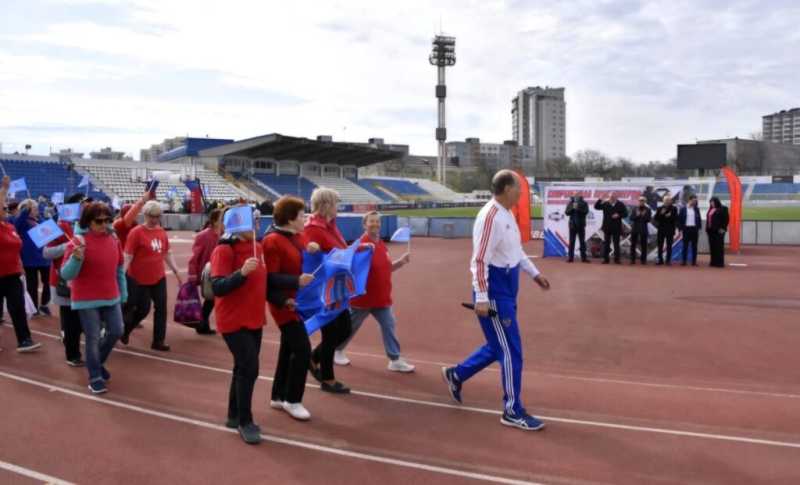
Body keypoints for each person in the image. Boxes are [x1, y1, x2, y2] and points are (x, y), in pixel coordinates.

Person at [442, 170, 551, 431]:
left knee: (497, 345)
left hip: (508, 286)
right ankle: (512, 410)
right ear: (506, 189)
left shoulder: (507, 213)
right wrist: (481, 297)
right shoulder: (490, 216)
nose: (522, 193)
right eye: (518, 189)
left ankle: (457, 374)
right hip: (494, 292)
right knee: (512, 351)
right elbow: (479, 260)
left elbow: (516, 251)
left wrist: (534, 274)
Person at [210, 209, 267, 444]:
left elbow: (265, 280)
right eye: (252, 221)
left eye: (257, 220)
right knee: (249, 368)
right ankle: (245, 421)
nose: (256, 224)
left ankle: (234, 414)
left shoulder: (258, 247)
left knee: (241, 368)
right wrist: (241, 273)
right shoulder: (223, 250)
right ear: (237, 224)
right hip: (233, 319)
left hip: (254, 317)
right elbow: (218, 287)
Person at [334, 211, 415, 373]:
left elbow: (385, 269)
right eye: (372, 221)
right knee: (350, 327)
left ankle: (395, 359)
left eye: (378, 222)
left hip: (382, 298)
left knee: (389, 325)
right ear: (364, 225)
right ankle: (336, 350)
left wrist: (401, 262)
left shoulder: (381, 244)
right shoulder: (361, 245)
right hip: (363, 299)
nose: (375, 224)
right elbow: (348, 266)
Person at [60, 202, 127, 394]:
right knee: (93, 337)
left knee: (116, 331)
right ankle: (95, 376)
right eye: (99, 221)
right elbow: (66, 274)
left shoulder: (114, 239)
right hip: (87, 298)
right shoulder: (78, 241)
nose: (104, 224)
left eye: (108, 220)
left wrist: (124, 293)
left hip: (111, 295)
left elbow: (119, 268)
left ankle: (96, 363)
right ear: (88, 222)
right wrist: (76, 258)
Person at [262, 196, 318, 421]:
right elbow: (270, 278)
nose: (305, 218)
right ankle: (293, 399)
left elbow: (304, 249)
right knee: (303, 350)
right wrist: (296, 281)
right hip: (284, 303)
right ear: (290, 218)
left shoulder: (297, 236)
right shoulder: (272, 241)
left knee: (288, 349)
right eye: (302, 215)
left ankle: (278, 396)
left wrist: (313, 247)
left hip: (298, 300)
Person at [303, 187, 356, 394]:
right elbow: (306, 243)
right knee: (333, 331)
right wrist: (311, 246)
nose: (338, 207)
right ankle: (328, 378)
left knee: (343, 329)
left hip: (336, 286)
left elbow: (340, 249)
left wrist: (360, 248)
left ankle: (314, 358)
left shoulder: (331, 226)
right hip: (324, 289)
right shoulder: (313, 227)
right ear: (326, 205)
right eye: (335, 203)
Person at [121, 201, 182, 351]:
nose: (155, 219)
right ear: (146, 215)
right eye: (152, 216)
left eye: (158, 216)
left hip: (158, 277)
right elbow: (128, 256)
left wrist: (176, 270)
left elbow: (167, 252)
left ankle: (158, 341)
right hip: (138, 279)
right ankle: (125, 330)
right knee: (143, 309)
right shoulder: (136, 232)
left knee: (161, 309)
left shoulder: (161, 232)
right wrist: (121, 275)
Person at [42, 193, 91, 366]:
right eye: (84, 204)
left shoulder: (87, 226)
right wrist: (68, 246)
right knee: (71, 319)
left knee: (80, 317)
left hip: (83, 280)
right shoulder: (58, 226)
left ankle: (75, 344)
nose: (87, 206)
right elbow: (46, 252)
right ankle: (72, 354)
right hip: (63, 280)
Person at [0, 176, 41, 352]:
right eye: (2, 207)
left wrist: (20, 266)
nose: (5, 210)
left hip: (13, 274)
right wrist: (4, 189)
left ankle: (24, 340)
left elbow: (16, 248)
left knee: (17, 307)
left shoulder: (9, 227)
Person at [187, 208, 223, 335]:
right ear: (214, 221)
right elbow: (195, 256)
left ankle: (202, 324)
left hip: (218, 270)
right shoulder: (203, 236)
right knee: (211, 298)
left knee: (212, 299)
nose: (224, 221)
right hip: (207, 272)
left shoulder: (224, 235)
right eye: (221, 219)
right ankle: (202, 323)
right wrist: (192, 275)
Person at [14, 199, 52, 316]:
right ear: (28, 210)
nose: (37, 210)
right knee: (32, 285)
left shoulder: (40, 220)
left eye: (36, 208)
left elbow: (49, 230)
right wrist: (27, 208)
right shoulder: (21, 222)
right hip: (29, 259)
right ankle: (34, 308)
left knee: (48, 282)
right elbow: (19, 221)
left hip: (44, 258)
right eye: (34, 209)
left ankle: (44, 305)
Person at [594, 193, 628, 264]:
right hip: (607, 227)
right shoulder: (606, 204)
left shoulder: (620, 204)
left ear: (616, 197)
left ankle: (617, 259)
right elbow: (596, 207)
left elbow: (626, 214)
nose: (611, 199)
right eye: (610, 197)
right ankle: (606, 259)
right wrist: (600, 199)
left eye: (613, 197)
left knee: (616, 244)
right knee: (606, 243)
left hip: (616, 227)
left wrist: (618, 215)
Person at [564, 193, 589, 263]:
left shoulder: (584, 203)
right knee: (571, 242)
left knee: (582, 242)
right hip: (572, 225)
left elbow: (586, 212)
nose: (575, 197)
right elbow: (566, 212)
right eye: (574, 195)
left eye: (577, 195)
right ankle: (570, 258)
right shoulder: (570, 203)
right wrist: (572, 208)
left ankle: (584, 258)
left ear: (579, 196)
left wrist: (578, 208)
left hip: (581, 225)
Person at [654, 196, 678, 266]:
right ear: (663, 201)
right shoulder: (660, 208)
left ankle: (668, 260)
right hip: (661, 229)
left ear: (670, 201)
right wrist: (661, 214)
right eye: (666, 200)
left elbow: (676, 218)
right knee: (660, 245)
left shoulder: (674, 208)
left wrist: (670, 216)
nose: (667, 201)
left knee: (669, 245)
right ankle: (660, 260)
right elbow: (656, 218)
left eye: (668, 200)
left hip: (670, 229)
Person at [678, 195, 702, 266]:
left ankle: (694, 262)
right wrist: (680, 229)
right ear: (689, 200)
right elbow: (680, 220)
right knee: (685, 246)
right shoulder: (683, 209)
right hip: (686, 229)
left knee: (694, 246)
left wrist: (699, 228)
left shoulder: (697, 209)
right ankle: (684, 261)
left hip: (694, 229)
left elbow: (699, 219)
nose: (695, 202)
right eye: (694, 200)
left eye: (696, 201)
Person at [706, 196, 729, 268]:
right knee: (712, 247)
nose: (711, 203)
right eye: (710, 202)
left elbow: (726, 219)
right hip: (711, 231)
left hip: (719, 231)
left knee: (719, 247)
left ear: (716, 202)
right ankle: (713, 262)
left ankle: (719, 263)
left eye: (712, 202)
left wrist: (723, 228)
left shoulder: (723, 208)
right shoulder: (710, 209)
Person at [629, 196, 651, 265]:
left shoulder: (648, 209)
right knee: (633, 244)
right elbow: (631, 218)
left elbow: (648, 220)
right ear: (638, 201)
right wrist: (638, 215)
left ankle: (643, 260)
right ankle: (632, 259)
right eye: (640, 201)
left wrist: (643, 216)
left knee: (644, 245)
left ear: (645, 202)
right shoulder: (635, 208)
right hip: (635, 228)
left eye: (643, 201)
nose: (641, 202)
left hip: (643, 229)